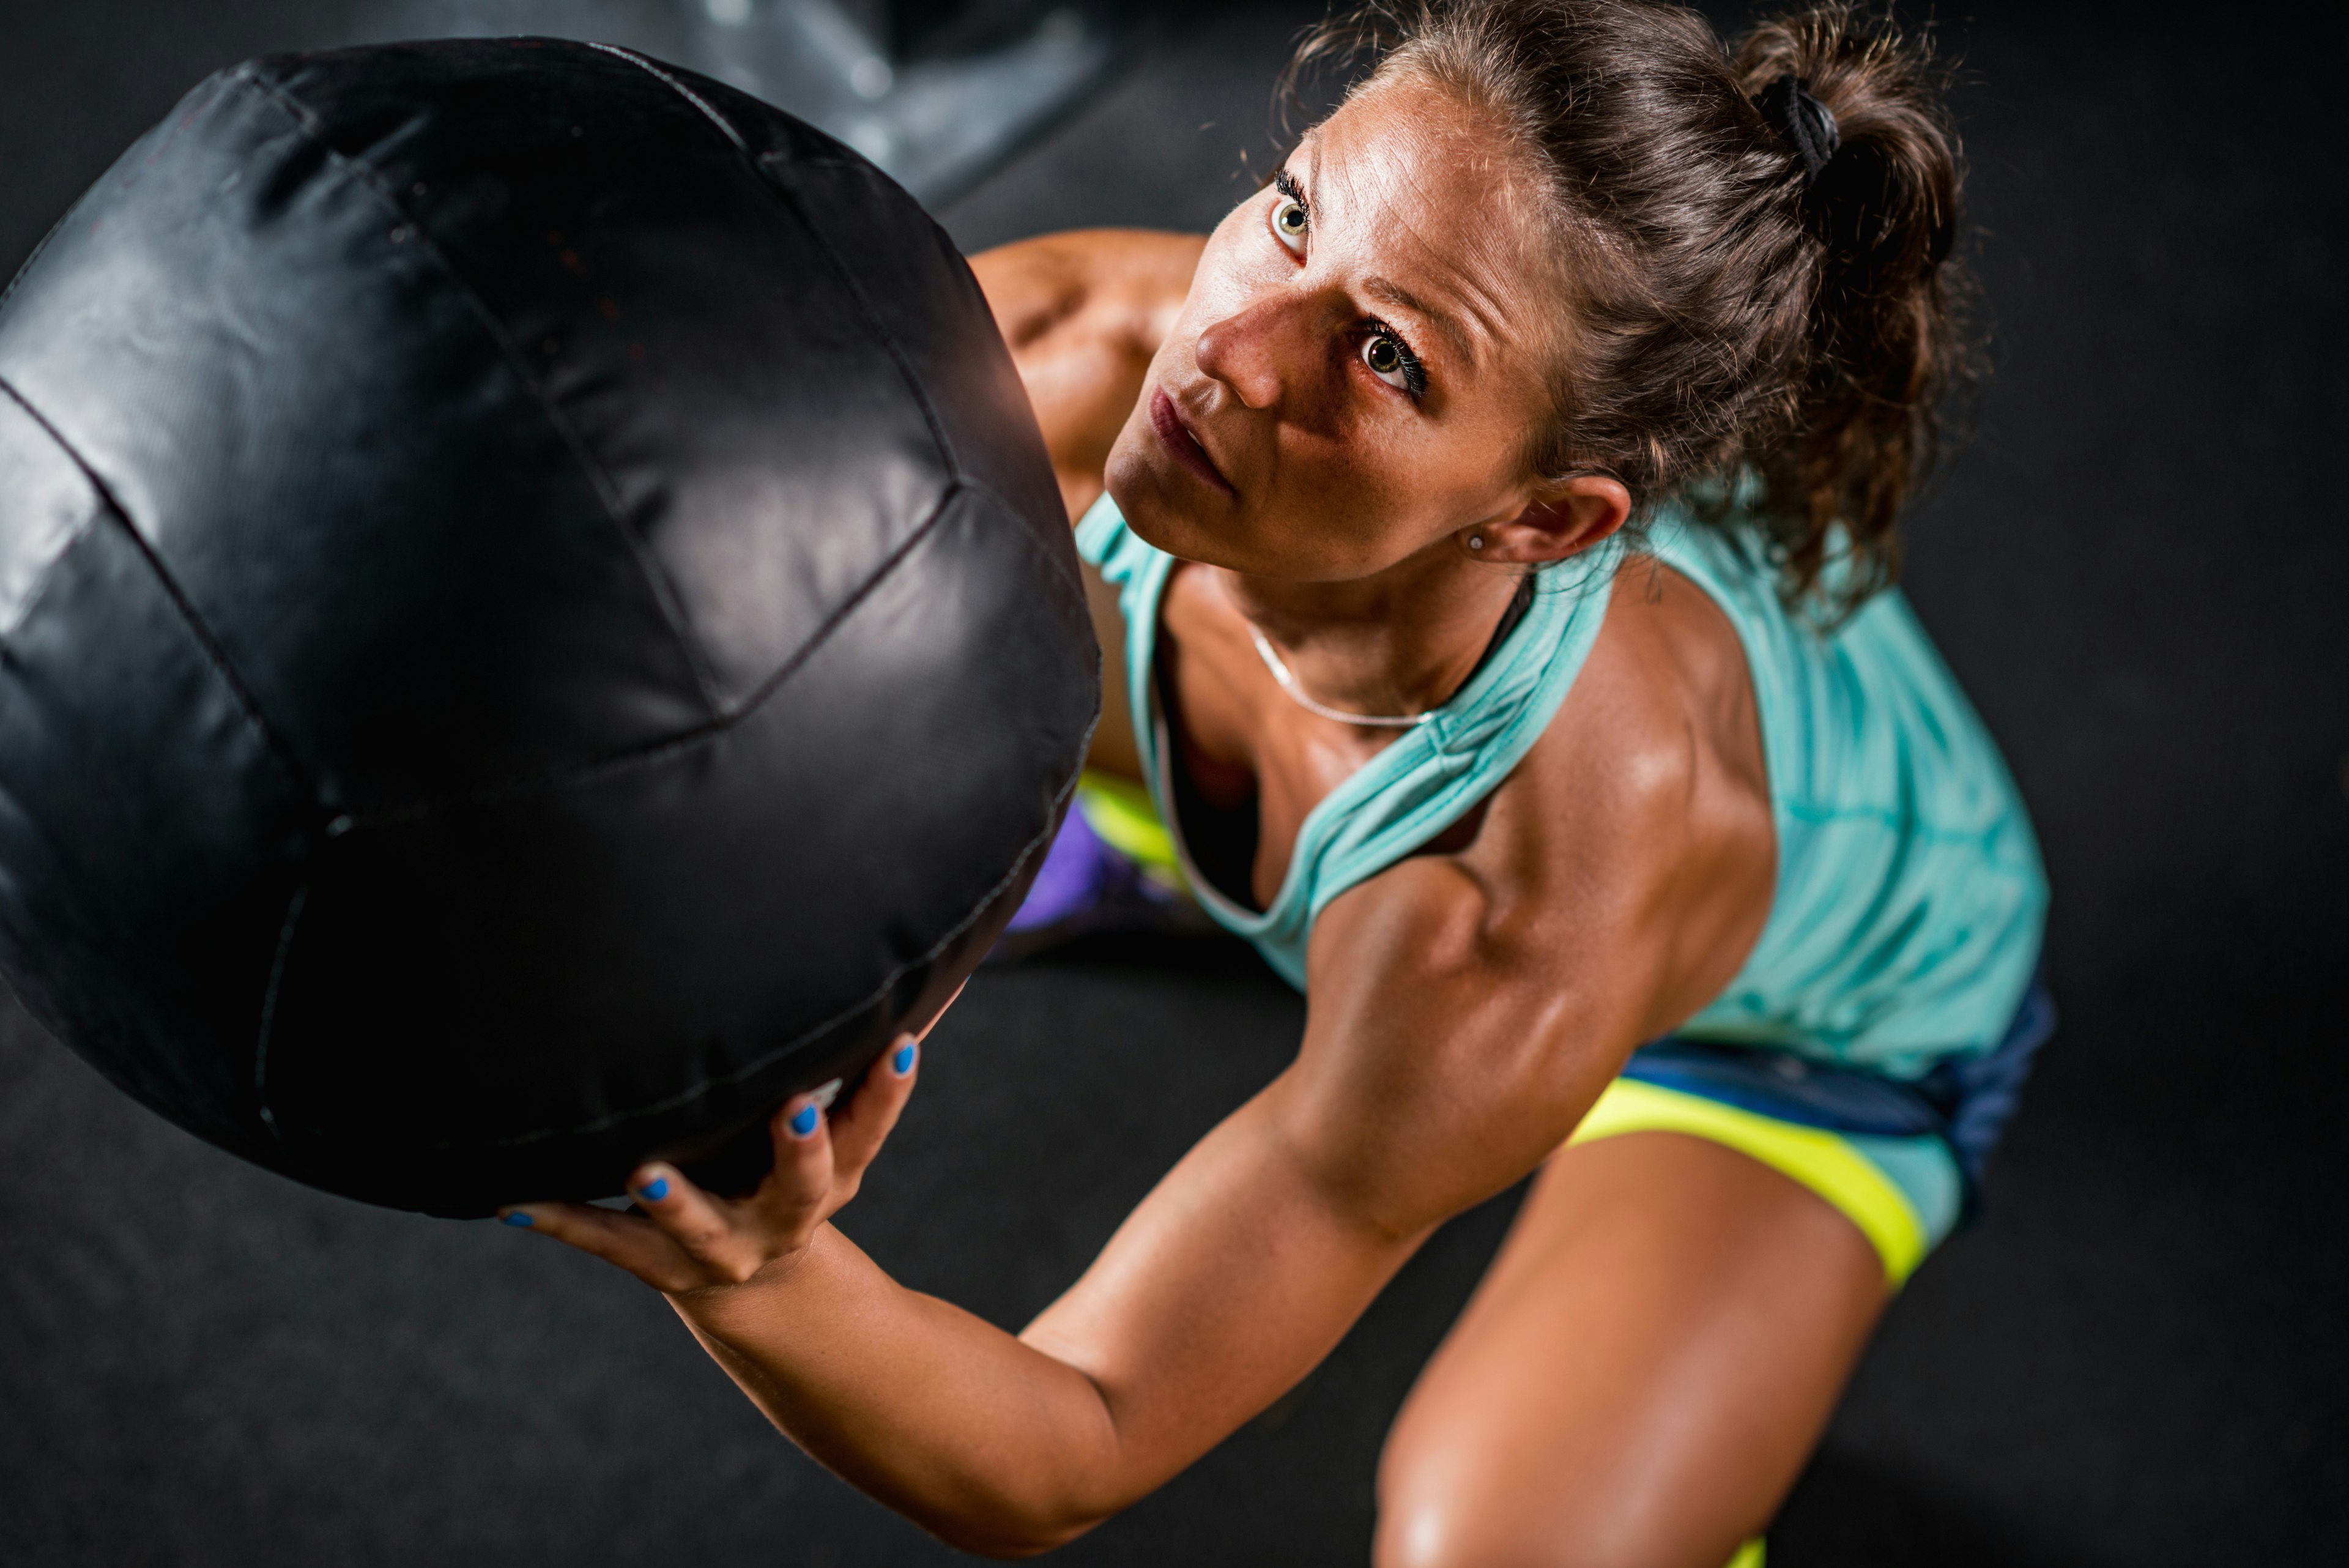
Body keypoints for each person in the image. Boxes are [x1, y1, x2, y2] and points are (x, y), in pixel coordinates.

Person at [503, 3, 2050, 1562]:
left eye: (1384, 356)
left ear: (1543, 521)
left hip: (1807, 1039)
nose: (1225, 350)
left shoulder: (1502, 915)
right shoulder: (1117, 350)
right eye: (1297, 211)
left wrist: (757, 1274)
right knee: (916, 537)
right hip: (1373, 656)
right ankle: (1160, 843)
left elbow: (1076, 1433)